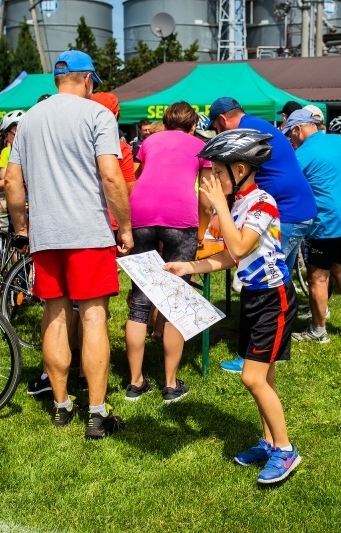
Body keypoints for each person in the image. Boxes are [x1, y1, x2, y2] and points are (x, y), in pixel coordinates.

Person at [4, 50, 133, 438]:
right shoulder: (97, 114)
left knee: (55, 315)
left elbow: (12, 182)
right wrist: (126, 227)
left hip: (46, 234)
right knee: (93, 317)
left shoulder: (29, 119)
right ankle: (97, 412)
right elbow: (111, 176)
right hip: (88, 232)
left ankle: (61, 406)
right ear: (88, 79)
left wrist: (22, 228)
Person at [164, 129, 301, 485]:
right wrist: (189, 267)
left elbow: (239, 246)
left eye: (217, 173)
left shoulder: (262, 203)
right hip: (254, 297)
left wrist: (219, 206)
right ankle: (270, 442)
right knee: (264, 377)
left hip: (274, 297)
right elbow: (230, 257)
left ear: (240, 170)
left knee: (252, 377)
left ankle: (286, 451)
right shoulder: (239, 204)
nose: (210, 180)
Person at [208, 97, 317, 372]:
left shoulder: (245, 134)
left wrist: (221, 208)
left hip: (288, 209)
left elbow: (240, 250)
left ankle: (253, 356)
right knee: (269, 276)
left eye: (216, 128)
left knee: (265, 279)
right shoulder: (257, 124)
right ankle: (262, 355)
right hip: (296, 208)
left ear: (222, 121)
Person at [123, 101, 212, 403]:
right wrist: (201, 232)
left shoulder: (149, 141)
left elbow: (136, 177)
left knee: (139, 301)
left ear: (165, 120)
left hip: (141, 215)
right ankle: (171, 384)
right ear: (193, 125)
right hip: (180, 220)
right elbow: (206, 197)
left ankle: (135, 383)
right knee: (177, 300)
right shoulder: (199, 145)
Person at [282, 109, 341, 342]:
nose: (291, 140)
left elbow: (289, 183)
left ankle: (318, 330)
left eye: (291, 135)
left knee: (318, 276)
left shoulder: (303, 153)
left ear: (298, 129)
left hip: (329, 222)